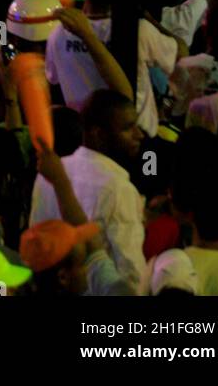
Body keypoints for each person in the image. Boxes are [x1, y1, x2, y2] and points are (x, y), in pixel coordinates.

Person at [29, 90, 146, 291]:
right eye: (128, 128)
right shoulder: (118, 188)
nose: (139, 135)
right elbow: (131, 272)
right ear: (99, 134)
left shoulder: (51, 172)